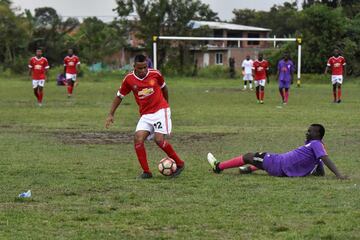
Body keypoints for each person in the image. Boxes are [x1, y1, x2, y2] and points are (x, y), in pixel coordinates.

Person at [105, 54, 185, 179]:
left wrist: (166, 105)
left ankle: (180, 163)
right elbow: (119, 96)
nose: (143, 71)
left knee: (159, 140)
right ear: (134, 67)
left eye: (145, 67)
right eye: (140, 68)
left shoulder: (155, 74)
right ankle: (146, 172)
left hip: (160, 110)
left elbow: (164, 88)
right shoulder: (129, 79)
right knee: (138, 138)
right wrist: (111, 114)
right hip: (146, 114)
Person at [207, 124, 348, 179]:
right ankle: (249, 169)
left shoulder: (316, 144)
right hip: (282, 165)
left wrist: (339, 175)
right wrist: (319, 173)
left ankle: (218, 167)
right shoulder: (315, 145)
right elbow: (319, 163)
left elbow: (324, 158)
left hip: (279, 164)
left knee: (249, 155)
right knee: (264, 159)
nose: (307, 133)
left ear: (318, 134)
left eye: (310, 131)